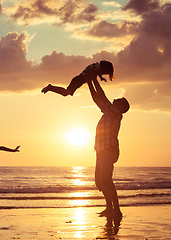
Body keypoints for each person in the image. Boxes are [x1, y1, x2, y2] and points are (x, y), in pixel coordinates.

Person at [86, 78, 129, 218]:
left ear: (122, 107)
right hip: (100, 150)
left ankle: (116, 210)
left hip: (109, 150)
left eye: (119, 100)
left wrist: (94, 80)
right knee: (99, 182)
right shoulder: (108, 113)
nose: (115, 99)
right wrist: (89, 82)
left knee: (106, 180)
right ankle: (109, 208)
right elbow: (96, 99)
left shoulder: (116, 114)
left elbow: (102, 96)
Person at [41, 60, 114, 96]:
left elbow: (96, 72)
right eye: (105, 73)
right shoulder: (96, 68)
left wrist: (101, 78)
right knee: (66, 92)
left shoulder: (96, 66)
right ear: (104, 68)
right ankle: (50, 87)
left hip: (78, 80)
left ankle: (50, 87)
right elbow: (94, 73)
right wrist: (94, 79)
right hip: (78, 80)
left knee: (66, 92)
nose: (103, 74)